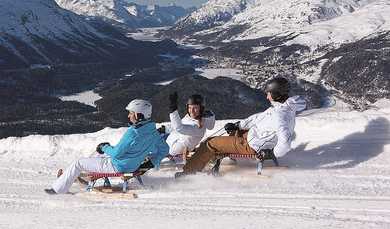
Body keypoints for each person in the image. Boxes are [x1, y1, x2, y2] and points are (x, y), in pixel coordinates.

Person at [175, 77, 306, 178]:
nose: (266, 96)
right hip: (254, 136)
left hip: (253, 145)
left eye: (269, 93)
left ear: (276, 95)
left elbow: (285, 144)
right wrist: (238, 125)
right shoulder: (281, 107)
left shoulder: (281, 116)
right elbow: (257, 118)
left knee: (210, 143)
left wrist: (271, 153)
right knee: (233, 131)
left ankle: (189, 173)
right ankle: (218, 155)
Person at [44, 99, 169, 194]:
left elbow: (116, 153)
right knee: (98, 160)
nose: (128, 116)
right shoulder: (153, 133)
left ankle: (57, 190)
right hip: (132, 166)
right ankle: (81, 179)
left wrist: (104, 147)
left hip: (117, 166)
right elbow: (165, 149)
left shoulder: (132, 133)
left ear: (139, 115)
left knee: (78, 162)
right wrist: (149, 164)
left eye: (131, 113)